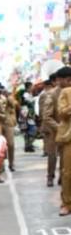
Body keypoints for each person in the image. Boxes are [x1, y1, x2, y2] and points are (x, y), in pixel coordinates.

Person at [54, 68, 71, 215]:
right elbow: (61, 112)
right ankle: (66, 203)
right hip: (68, 137)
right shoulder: (65, 93)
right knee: (67, 172)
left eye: (60, 79)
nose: (58, 82)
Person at [39, 76, 60, 187]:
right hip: (52, 129)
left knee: (65, 155)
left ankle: (62, 176)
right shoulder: (48, 95)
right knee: (52, 154)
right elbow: (44, 114)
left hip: (66, 129)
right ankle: (50, 176)